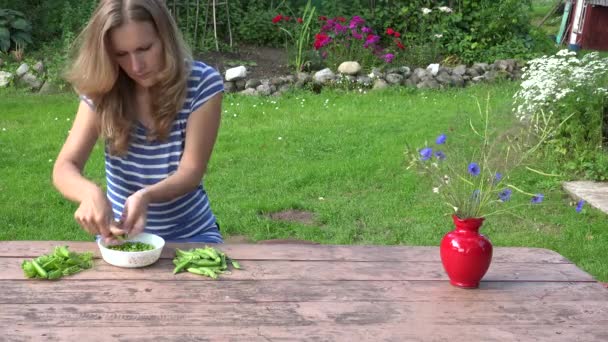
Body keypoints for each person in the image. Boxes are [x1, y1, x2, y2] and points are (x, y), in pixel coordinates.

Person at [52, 0, 224, 244]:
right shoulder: (102, 89)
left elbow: (191, 171)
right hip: (122, 238)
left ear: (166, 38)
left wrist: (145, 196)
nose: (136, 66)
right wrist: (89, 193)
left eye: (144, 48)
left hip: (192, 235)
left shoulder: (202, 83)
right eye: (121, 54)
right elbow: (64, 166)